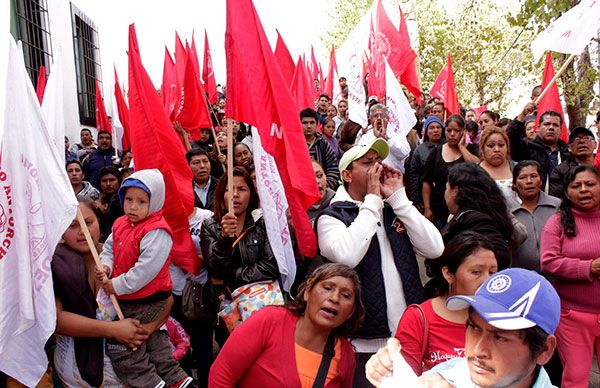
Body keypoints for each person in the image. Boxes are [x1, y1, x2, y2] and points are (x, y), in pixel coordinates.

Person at [316, 138, 444, 387]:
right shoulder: (332, 216)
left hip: (409, 338)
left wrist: (399, 199)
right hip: (361, 344)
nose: (377, 168)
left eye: (378, 161)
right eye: (367, 163)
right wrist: (372, 202)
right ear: (347, 175)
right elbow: (346, 256)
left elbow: (435, 248)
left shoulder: (393, 208)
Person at [366, 268, 560, 388]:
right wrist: (391, 373)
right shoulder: (447, 374)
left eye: (500, 337)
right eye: (473, 328)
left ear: (544, 350)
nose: (477, 350)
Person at [52, 200, 171, 387]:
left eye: (88, 222)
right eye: (72, 226)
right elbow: (56, 320)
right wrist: (113, 330)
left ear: (99, 221)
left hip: (128, 375)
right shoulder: (53, 264)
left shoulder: (126, 254)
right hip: (73, 373)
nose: (82, 232)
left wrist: (147, 330)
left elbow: (166, 299)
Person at [97, 169, 192, 388]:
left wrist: (117, 285)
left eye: (141, 201)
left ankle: (149, 383)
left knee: (124, 346)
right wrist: (106, 265)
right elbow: (109, 248)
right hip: (131, 297)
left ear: (155, 201)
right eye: (128, 199)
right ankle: (177, 379)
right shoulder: (120, 223)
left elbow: (145, 270)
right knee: (153, 341)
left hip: (147, 298)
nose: (132, 206)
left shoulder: (157, 231)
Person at [209, 263, 363, 387]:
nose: (334, 298)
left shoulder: (345, 355)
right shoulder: (269, 321)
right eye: (327, 288)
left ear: (351, 312)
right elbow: (221, 378)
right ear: (307, 292)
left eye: (346, 296)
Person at [397, 232, 498, 375]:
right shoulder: (418, 318)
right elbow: (403, 378)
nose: (487, 280)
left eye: (492, 272)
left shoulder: (500, 318)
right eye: (476, 272)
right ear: (448, 274)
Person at [540, 165, 600, 387]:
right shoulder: (557, 223)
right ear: (566, 193)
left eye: (590, 184)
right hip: (572, 316)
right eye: (576, 186)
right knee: (575, 377)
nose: (584, 190)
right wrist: (588, 268)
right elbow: (548, 262)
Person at [201, 167, 278, 291]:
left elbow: (271, 266)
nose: (235, 195)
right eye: (229, 190)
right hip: (225, 300)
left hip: (261, 297)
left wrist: (231, 276)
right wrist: (224, 239)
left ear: (251, 195)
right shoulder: (209, 226)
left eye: (242, 189)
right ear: (221, 195)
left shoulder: (262, 223)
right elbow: (215, 268)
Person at [441, 163, 516, 270]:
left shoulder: (476, 221)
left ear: (455, 191)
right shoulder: (475, 216)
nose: (445, 193)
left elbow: (500, 256)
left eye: (446, 188)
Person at [422, 115, 480, 228]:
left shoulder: (472, 150)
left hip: (466, 210)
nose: (452, 134)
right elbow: (426, 181)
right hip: (439, 210)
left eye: (457, 131)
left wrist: (462, 148)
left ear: (463, 131)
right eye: (449, 130)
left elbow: (477, 169)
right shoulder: (436, 152)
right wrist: (427, 208)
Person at [511, 161, 561, 272]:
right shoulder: (506, 210)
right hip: (519, 274)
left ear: (541, 180)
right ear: (514, 183)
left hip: (554, 274)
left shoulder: (557, 205)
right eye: (523, 177)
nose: (529, 181)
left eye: (534, 176)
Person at [508, 106, 569, 187]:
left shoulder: (568, 152)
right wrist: (522, 115)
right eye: (547, 124)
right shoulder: (528, 148)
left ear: (561, 130)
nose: (551, 128)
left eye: (555, 125)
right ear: (538, 128)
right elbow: (510, 138)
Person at [357, 104, 412, 173]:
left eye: (382, 115)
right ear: (370, 120)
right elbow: (361, 157)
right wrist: (376, 139)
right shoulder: (365, 138)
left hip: (394, 177)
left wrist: (387, 139)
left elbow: (405, 153)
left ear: (388, 119)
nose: (379, 118)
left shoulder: (397, 134)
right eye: (375, 116)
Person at [549, 126, 597, 198]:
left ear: (595, 144)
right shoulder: (560, 171)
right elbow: (557, 200)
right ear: (569, 148)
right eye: (576, 139)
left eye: (587, 138)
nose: (581, 141)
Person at [300, 108, 340, 190]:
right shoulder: (294, 145)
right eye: (305, 123)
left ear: (316, 124)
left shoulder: (323, 144)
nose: (308, 126)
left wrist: (325, 187)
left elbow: (333, 169)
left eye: (312, 123)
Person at [409, 116, 444, 209]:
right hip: (426, 199)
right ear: (426, 131)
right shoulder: (419, 150)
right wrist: (416, 199)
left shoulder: (448, 148)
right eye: (432, 128)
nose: (435, 130)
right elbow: (414, 175)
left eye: (438, 127)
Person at [478, 127, 516, 204]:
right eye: (490, 145)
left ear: (507, 148)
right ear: (482, 149)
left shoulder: (518, 168)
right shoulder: (474, 172)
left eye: (501, 145)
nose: (496, 149)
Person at [307, 159, 336, 223]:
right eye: (310, 178)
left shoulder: (339, 202)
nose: (317, 181)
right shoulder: (296, 212)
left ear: (326, 177)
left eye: (320, 175)